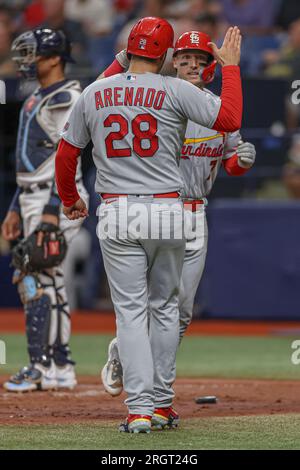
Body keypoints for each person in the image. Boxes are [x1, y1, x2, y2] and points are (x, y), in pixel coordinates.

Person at [55, 17, 243, 433]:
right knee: (166, 310)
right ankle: (159, 403)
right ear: (166, 55)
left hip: (119, 211)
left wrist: (70, 199)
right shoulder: (176, 89)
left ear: (128, 48)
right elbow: (229, 119)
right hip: (170, 211)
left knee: (131, 313)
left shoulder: (96, 90)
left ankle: (139, 408)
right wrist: (229, 67)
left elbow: (67, 154)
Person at [99, 29, 255, 428]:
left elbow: (232, 162)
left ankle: (140, 373)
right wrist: (125, 56)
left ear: (208, 67)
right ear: (170, 59)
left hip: (194, 210)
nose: (191, 64)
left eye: (200, 59)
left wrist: (242, 161)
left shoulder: (215, 108)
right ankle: (148, 392)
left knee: (179, 311)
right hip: (155, 207)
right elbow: (99, 97)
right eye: (183, 57)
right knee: (151, 306)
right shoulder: (157, 97)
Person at [1, 28, 89, 392]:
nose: (25, 60)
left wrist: (56, 205)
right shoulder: (36, 96)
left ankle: (41, 365)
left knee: (33, 272)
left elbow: (67, 156)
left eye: (32, 53)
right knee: (48, 278)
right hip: (29, 195)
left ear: (54, 57)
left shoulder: (69, 96)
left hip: (56, 195)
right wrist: (14, 208)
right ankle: (59, 364)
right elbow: (29, 161)